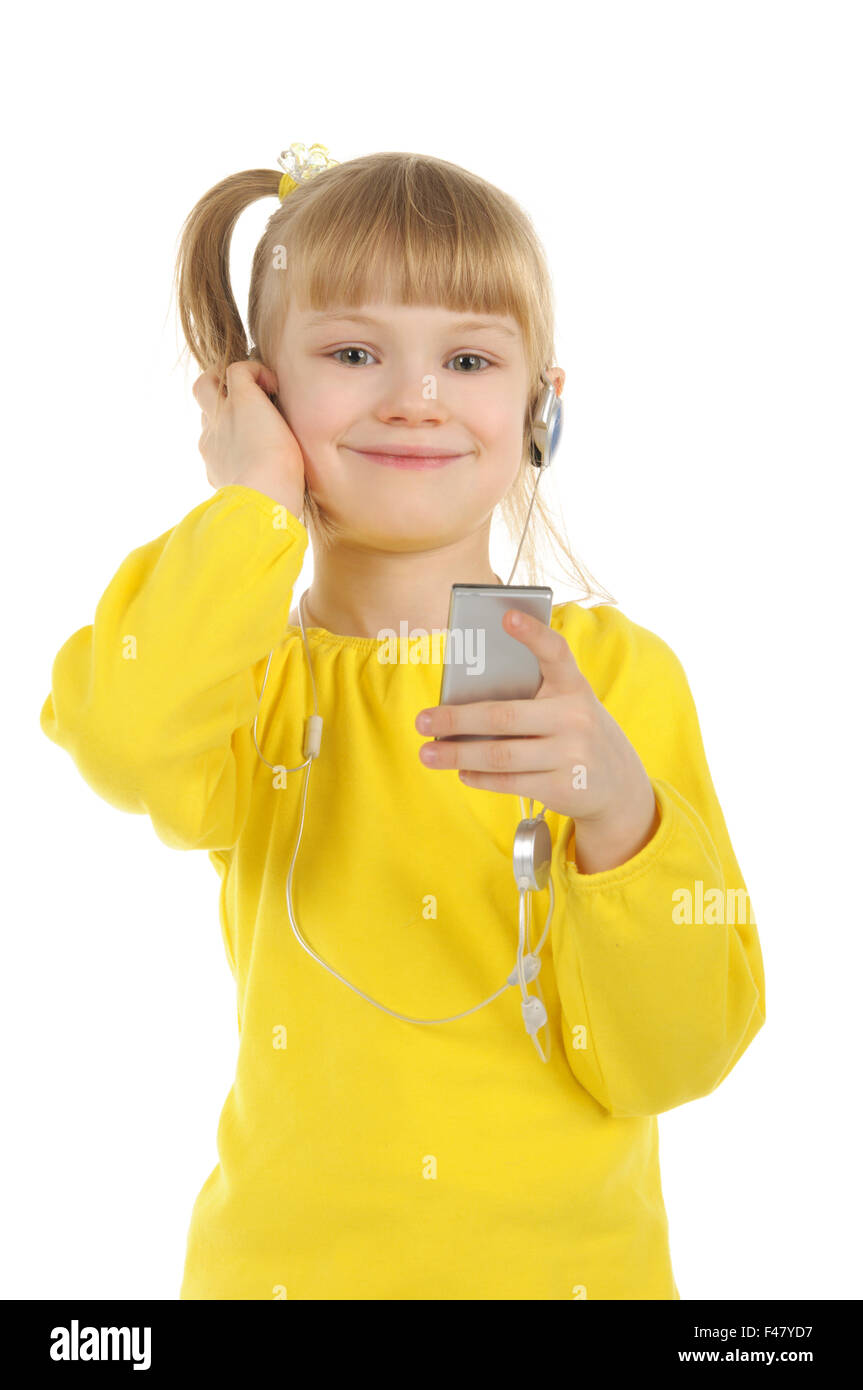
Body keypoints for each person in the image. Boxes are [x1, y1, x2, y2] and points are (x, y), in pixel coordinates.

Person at [39, 145, 766, 1300]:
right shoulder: (252, 682)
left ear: (539, 405)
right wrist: (250, 504)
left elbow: (674, 1057)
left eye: (468, 357)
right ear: (260, 394)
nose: (414, 396)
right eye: (351, 352)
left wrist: (619, 812)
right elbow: (121, 737)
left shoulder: (609, 681)